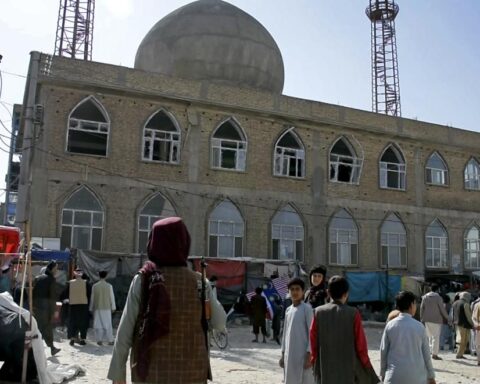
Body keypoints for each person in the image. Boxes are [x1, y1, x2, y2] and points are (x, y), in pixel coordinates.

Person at [108, 217, 209, 384]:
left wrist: (118, 373)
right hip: (193, 372)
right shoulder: (199, 282)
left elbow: (125, 331)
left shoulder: (144, 279)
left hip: (151, 373)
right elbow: (219, 321)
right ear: (184, 242)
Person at [310, 275, 377, 384]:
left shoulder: (317, 312)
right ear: (346, 293)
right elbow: (361, 347)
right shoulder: (353, 313)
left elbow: (313, 345)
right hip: (348, 372)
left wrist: (314, 365)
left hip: (324, 370)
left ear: (328, 292)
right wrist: (368, 368)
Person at [380, 291, 436, 384]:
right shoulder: (419, 327)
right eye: (415, 303)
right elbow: (426, 356)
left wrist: (383, 374)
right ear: (411, 305)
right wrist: (431, 376)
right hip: (416, 378)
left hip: (393, 377)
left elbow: (383, 352)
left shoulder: (390, 325)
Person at [279, 277, 314, 384]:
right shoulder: (288, 310)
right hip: (289, 355)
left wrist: (309, 355)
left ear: (302, 291)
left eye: (297, 289)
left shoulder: (307, 309)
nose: (294, 292)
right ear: (288, 292)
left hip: (303, 355)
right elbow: (285, 334)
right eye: (292, 289)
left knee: (304, 379)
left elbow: (312, 333)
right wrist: (283, 353)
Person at [32, 260, 61, 356]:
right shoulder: (51, 279)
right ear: (52, 269)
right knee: (45, 328)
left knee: (39, 328)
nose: (57, 270)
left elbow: (33, 293)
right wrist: (53, 312)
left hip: (36, 307)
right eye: (56, 268)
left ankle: (50, 347)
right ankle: (50, 348)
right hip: (45, 308)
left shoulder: (37, 278)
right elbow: (52, 297)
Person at [420, 283, 449, 360]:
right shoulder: (438, 297)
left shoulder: (425, 297)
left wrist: (421, 318)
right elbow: (442, 309)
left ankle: (429, 352)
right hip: (436, 320)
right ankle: (434, 354)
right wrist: (447, 317)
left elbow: (422, 308)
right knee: (435, 337)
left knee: (429, 336)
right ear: (438, 289)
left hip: (427, 319)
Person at [90, 270, 116, 346]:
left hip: (98, 308)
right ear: (106, 276)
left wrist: (91, 308)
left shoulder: (95, 286)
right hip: (107, 308)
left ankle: (99, 340)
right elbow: (112, 297)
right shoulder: (109, 286)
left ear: (99, 276)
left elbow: (92, 298)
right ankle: (110, 340)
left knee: (99, 324)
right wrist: (113, 307)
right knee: (108, 324)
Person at [66, 268, 90, 346]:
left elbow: (66, 294)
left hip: (73, 305)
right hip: (83, 305)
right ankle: (82, 339)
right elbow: (89, 294)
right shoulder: (86, 283)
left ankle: (72, 339)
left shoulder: (70, 283)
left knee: (73, 322)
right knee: (83, 322)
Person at [452, 291, 474, 359]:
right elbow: (468, 316)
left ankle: (460, 353)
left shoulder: (455, 303)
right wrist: (473, 324)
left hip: (456, 323)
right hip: (464, 325)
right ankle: (459, 354)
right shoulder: (466, 304)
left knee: (459, 339)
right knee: (463, 340)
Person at [472, 296, 480, 366]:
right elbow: (474, 317)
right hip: (479, 327)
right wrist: (477, 324)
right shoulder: (478, 305)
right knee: (478, 344)